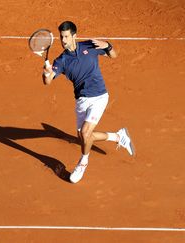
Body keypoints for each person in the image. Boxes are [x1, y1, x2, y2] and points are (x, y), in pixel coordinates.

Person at [42, 21, 135, 183]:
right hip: (81, 100)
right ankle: (118, 137)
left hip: (99, 96)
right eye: (61, 37)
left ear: (74, 36)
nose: (63, 40)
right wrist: (47, 73)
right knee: (84, 137)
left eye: (66, 36)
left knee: (85, 133)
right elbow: (48, 81)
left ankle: (82, 163)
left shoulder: (89, 46)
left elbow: (114, 55)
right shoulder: (61, 60)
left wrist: (107, 45)